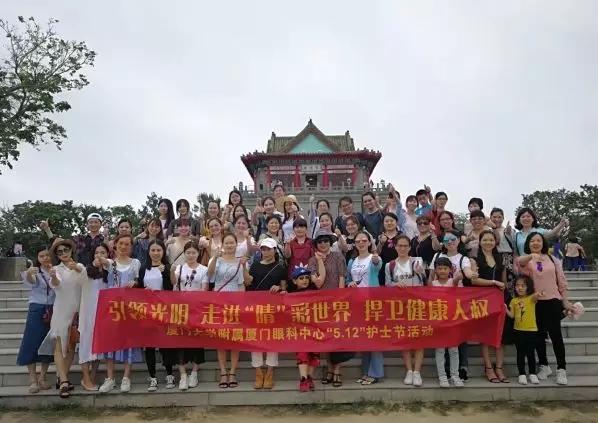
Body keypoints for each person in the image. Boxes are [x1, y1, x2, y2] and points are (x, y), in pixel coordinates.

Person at [430, 257, 464, 388]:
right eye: (439, 268)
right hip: (438, 322)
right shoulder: (433, 284)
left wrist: (458, 277)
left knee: (454, 350)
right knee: (440, 350)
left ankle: (455, 376)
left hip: (453, 322)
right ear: (435, 270)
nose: (442, 271)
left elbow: (455, 281)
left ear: (450, 270)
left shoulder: (452, 282)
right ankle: (442, 376)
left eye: (445, 268)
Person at [505, 276, 542, 385]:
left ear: (528, 287)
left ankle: (532, 373)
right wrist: (505, 309)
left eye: (523, 286)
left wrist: (538, 294)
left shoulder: (531, 298)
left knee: (531, 353)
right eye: (517, 285)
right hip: (518, 330)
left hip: (531, 330)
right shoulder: (514, 301)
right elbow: (512, 315)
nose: (520, 288)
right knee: (520, 353)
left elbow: (535, 297)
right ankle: (521, 374)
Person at [289, 266, 320, 392]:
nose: (305, 280)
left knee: (315, 355)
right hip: (299, 330)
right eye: (301, 278)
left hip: (315, 329)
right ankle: (303, 379)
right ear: (294, 281)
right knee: (302, 354)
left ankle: (310, 377)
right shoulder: (291, 295)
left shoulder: (316, 292)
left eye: (307, 277)